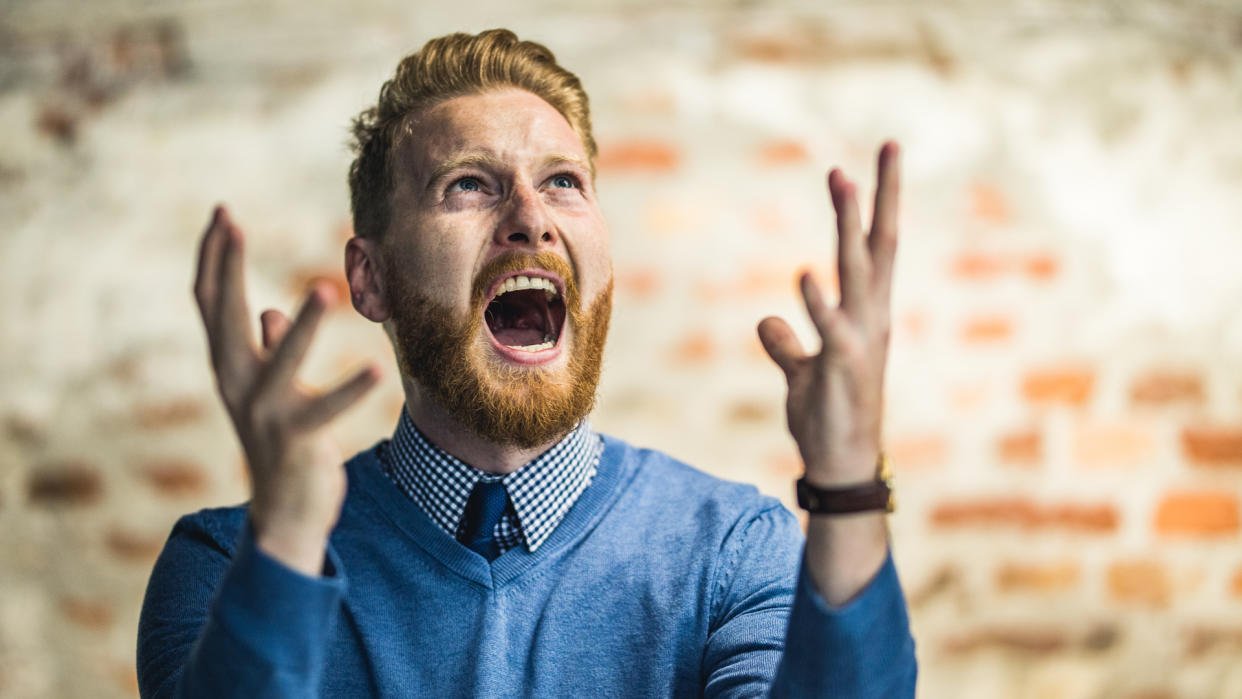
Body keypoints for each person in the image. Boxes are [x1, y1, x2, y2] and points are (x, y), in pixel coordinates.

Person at [137, 28, 917, 698]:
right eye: (470, 184)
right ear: (370, 278)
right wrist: (288, 543)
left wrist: (848, 486)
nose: (531, 220)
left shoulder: (733, 552)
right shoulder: (222, 567)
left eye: (563, 183)